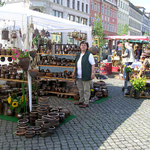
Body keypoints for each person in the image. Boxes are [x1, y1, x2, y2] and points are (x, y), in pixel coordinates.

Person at [72, 41, 95, 108]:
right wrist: (74, 72)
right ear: (80, 46)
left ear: (87, 47)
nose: (83, 46)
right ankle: (81, 100)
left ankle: (86, 102)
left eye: (84, 45)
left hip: (86, 74)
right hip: (78, 75)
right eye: (82, 45)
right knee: (80, 89)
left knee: (86, 90)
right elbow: (75, 64)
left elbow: (93, 64)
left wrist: (92, 73)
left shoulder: (89, 55)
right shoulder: (78, 54)